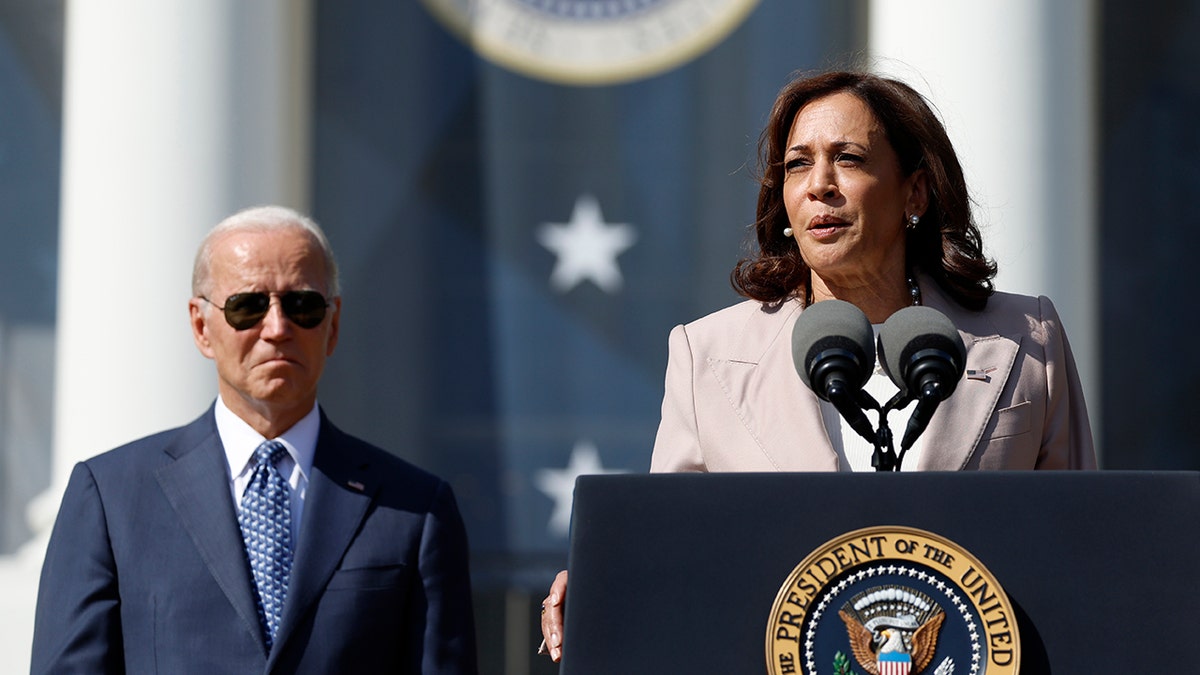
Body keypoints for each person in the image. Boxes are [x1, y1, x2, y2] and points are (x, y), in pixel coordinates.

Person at [537, 70, 1096, 661]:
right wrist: (608, 582)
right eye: (798, 165)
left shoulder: (1026, 337)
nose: (819, 186)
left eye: (848, 159)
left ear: (915, 193)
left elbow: (1082, 546)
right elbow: (674, 549)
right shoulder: (706, 354)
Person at [32, 206, 478, 673]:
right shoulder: (112, 496)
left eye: (302, 305)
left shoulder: (415, 508)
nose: (278, 328)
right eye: (247, 306)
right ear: (202, 327)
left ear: (334, 324)